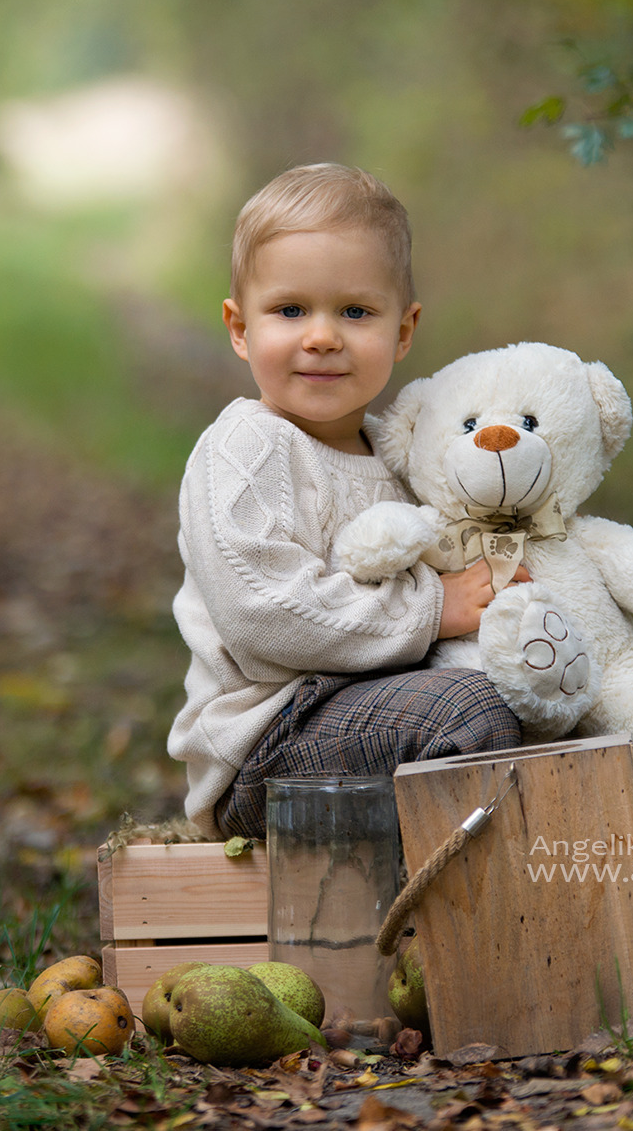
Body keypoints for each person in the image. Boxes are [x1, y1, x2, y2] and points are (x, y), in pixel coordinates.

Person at [167, 163, 525, 839]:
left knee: (537, 686)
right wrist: (432, 607)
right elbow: (263, 611)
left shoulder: (395, 457)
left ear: (404, 329)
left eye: (355, 311)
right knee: (469, 712)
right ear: (239, 326)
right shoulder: (247, 445)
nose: (323, 335)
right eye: (290, 310)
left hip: (372, 710)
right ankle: (458, 924)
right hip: (268, 746)